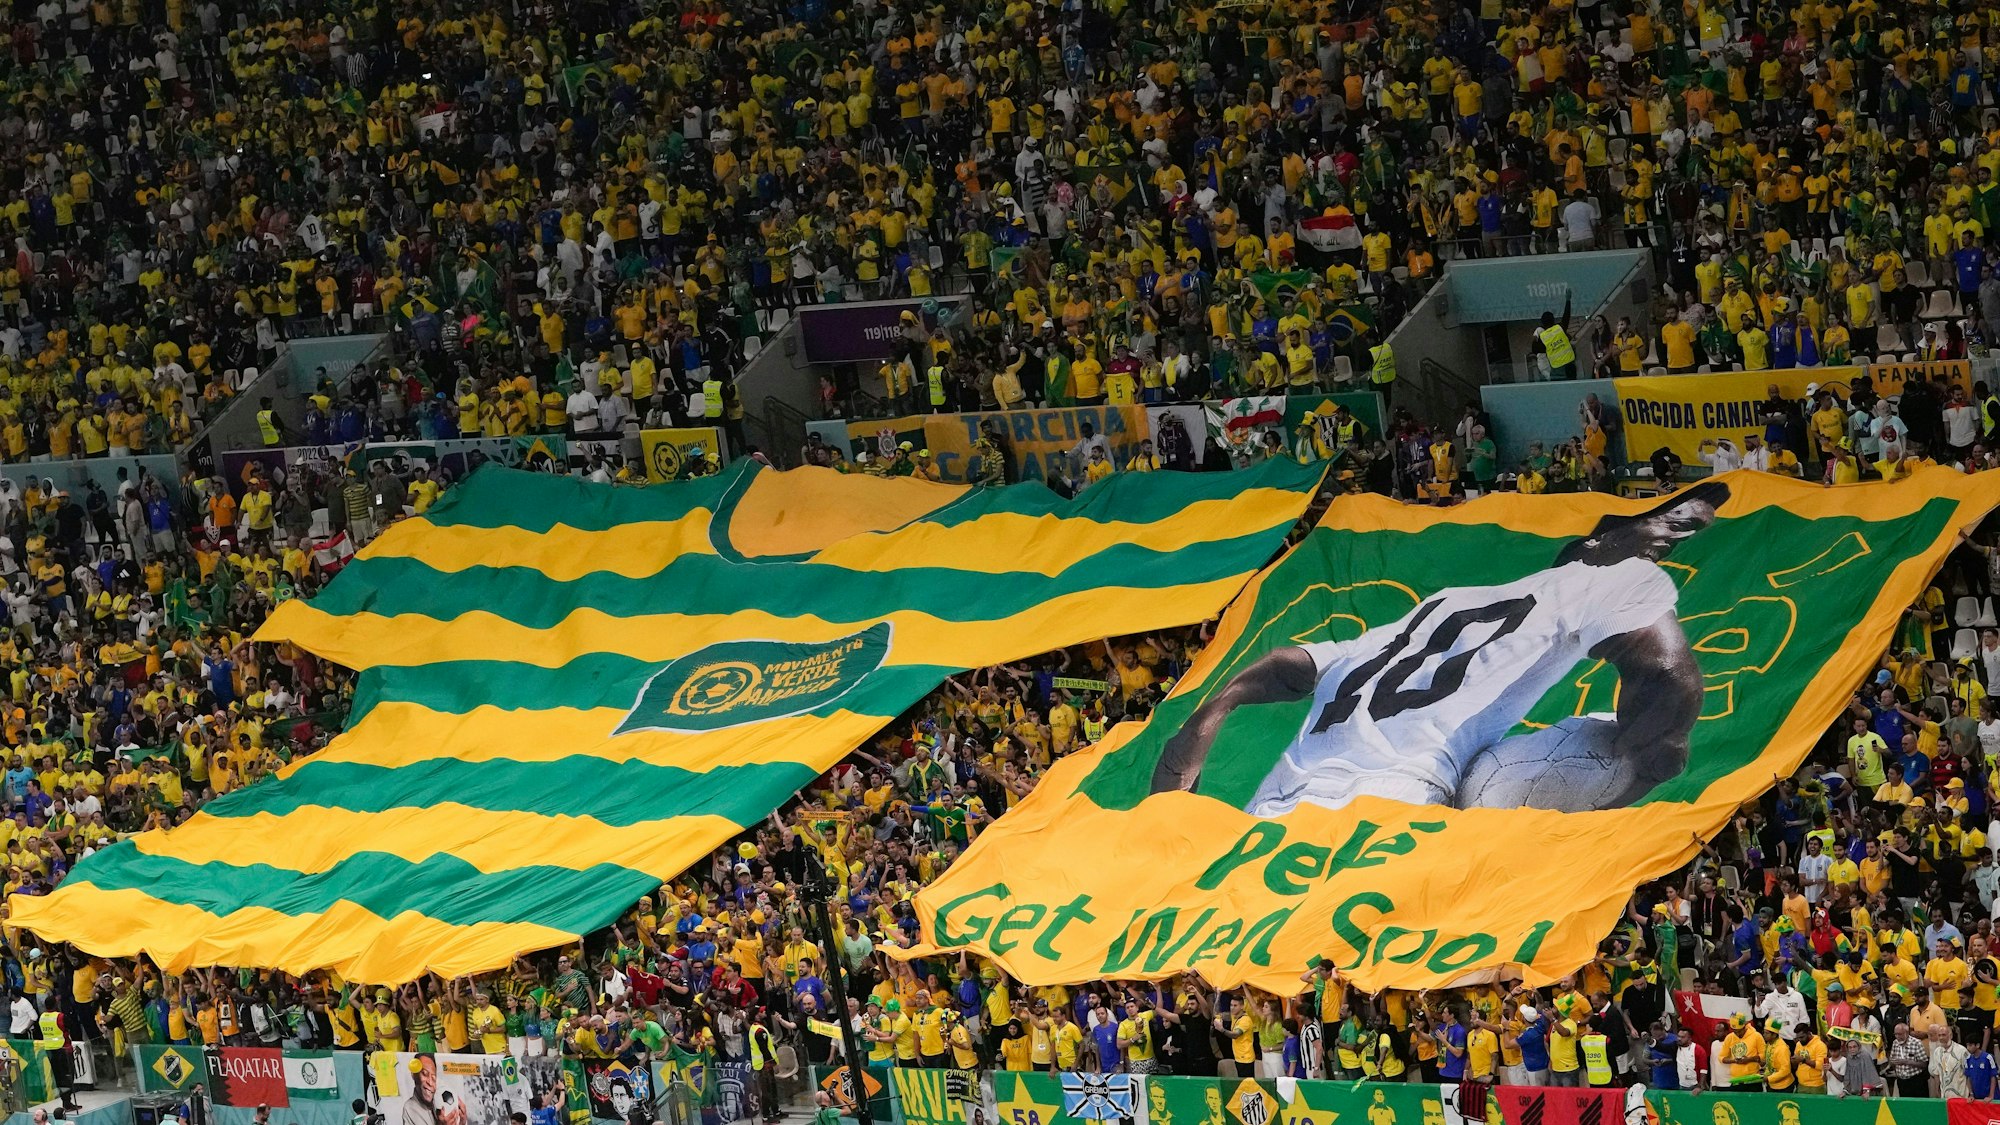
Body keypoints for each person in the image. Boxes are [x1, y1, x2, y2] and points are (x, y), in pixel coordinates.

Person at [1150, 483, 1726, 813]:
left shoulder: (1444, 604)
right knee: (1603, 742)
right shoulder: (1606, 578)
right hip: (1393, 804)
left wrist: (1206, 720)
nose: (1668, 543)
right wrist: (1652, 760)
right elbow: (1671, 675)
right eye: (1665, 530)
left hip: (1279, 803)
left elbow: (1284, 667)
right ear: (1598, 541)